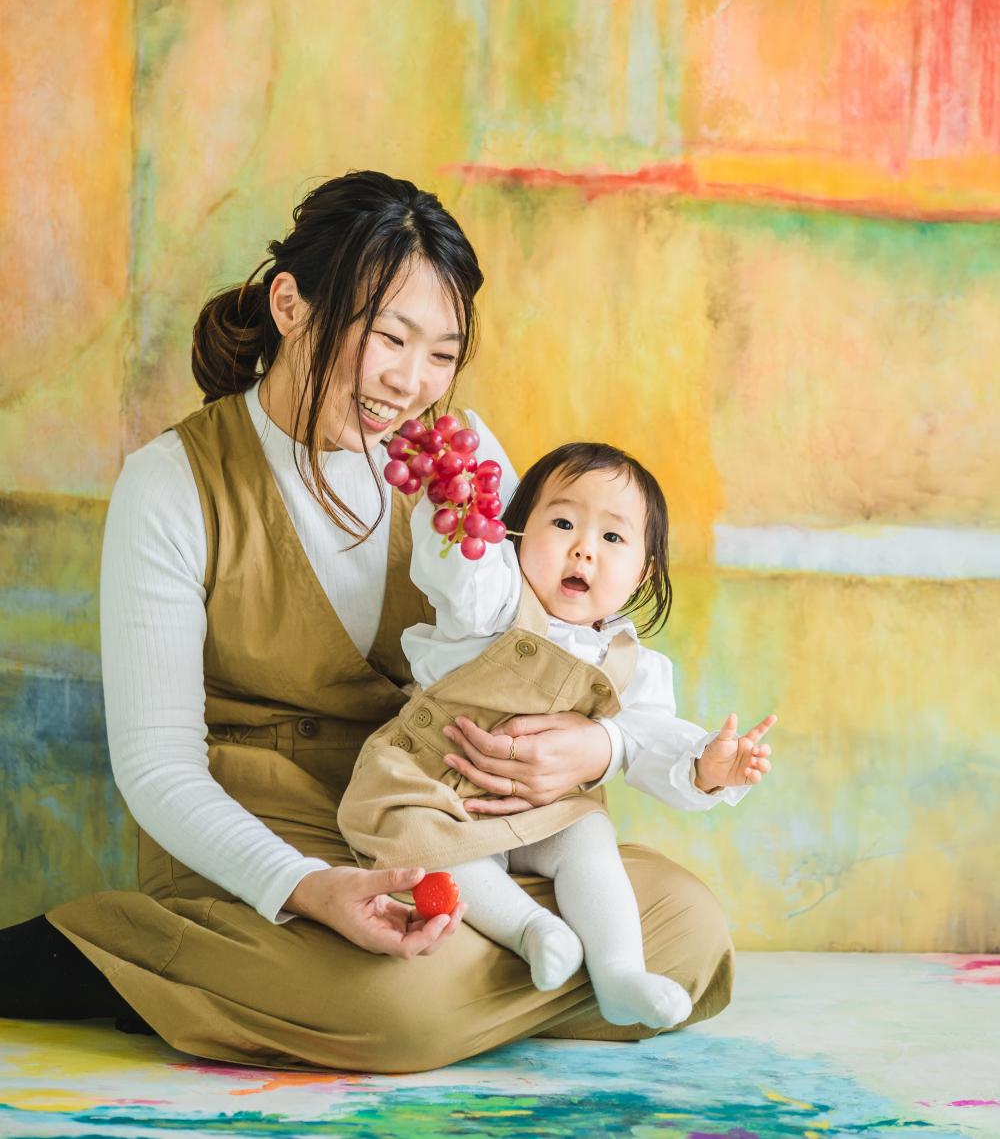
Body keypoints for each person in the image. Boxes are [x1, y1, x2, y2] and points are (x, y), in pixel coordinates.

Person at [0, 171, 737, 1072]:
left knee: (689, 927)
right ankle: (128, 953)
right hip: (262, 821)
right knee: (404, 1001)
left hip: (437, 806)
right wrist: (308, 887)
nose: (410, 384)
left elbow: (541, 638)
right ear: (290, 306)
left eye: (441, 354)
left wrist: (600, 749)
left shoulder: (459, 463)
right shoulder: (174, 482)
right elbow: (157, 769)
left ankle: (353, 988)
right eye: (389, 337)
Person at [338, 441, 776, 1031]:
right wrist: (455, 509)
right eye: (563, 523)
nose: (583, 549)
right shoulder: (490, 604)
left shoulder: (633, 664)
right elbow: (457, 568)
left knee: (589, 839)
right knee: (424, 848)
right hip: (437, 791)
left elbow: (648, 740)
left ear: (643, 572)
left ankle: (619, 974)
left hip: (545, 811)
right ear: (514, 535)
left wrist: (705, 767)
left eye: (612, 537)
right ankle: (532, 930)